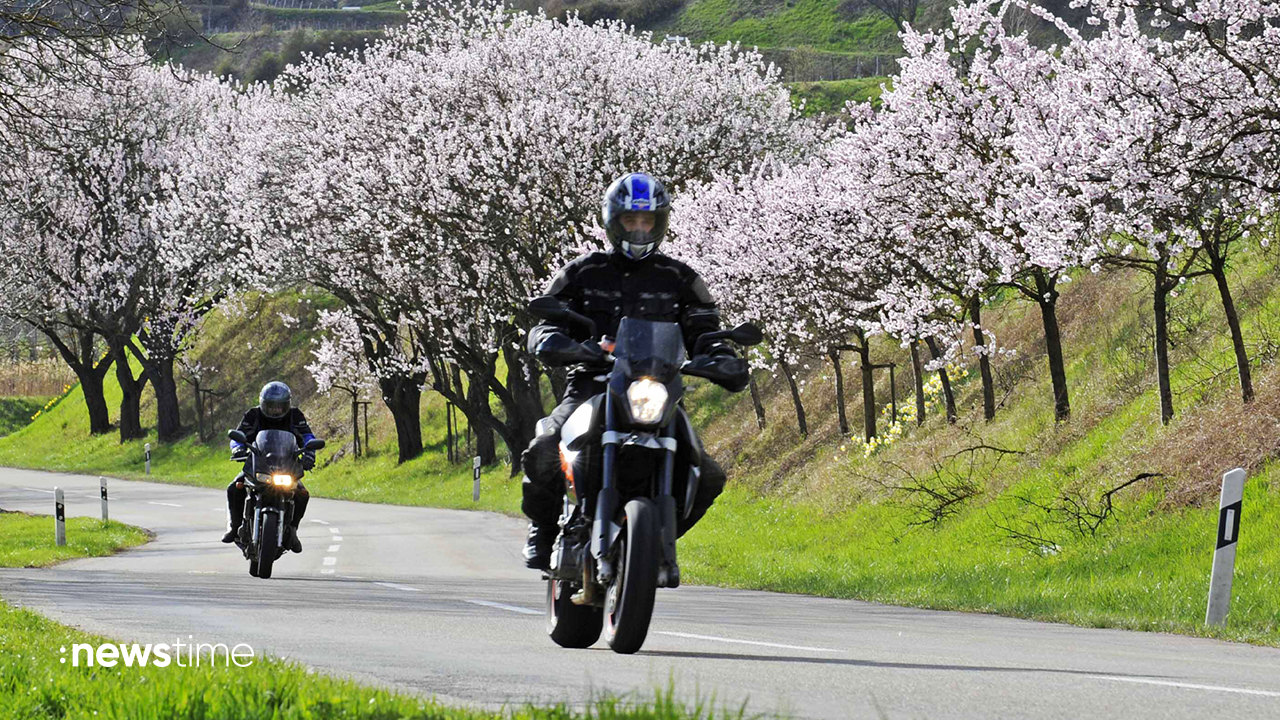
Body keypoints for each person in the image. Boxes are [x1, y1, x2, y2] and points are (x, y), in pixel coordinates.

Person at [520, 172, 743, 570]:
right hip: (591, 385)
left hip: (657, 392)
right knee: (545, 447)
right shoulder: (583, 271)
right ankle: (543, 528)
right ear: (613, 221)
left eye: (648, 222)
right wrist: (555, 341)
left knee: (708, 475)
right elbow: (545, 321)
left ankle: (654, 540)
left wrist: (721, 356)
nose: (639, 230)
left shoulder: (681, 279)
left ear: (660, 224)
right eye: (630, 221)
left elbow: (706, 329)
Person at [220, 381, 317, 553]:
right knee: (234, 488)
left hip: (286, 467)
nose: (275, 410)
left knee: (302, 494)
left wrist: (309, 453)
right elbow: (238, 435)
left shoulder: (295, 415)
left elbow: (307, 435)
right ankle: (234, 527)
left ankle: (293, 530)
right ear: (263, 403)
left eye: (280, 407)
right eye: (271, 406)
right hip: (258, 465)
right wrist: (238, 448)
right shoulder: (253, 414)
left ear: (287, 405)